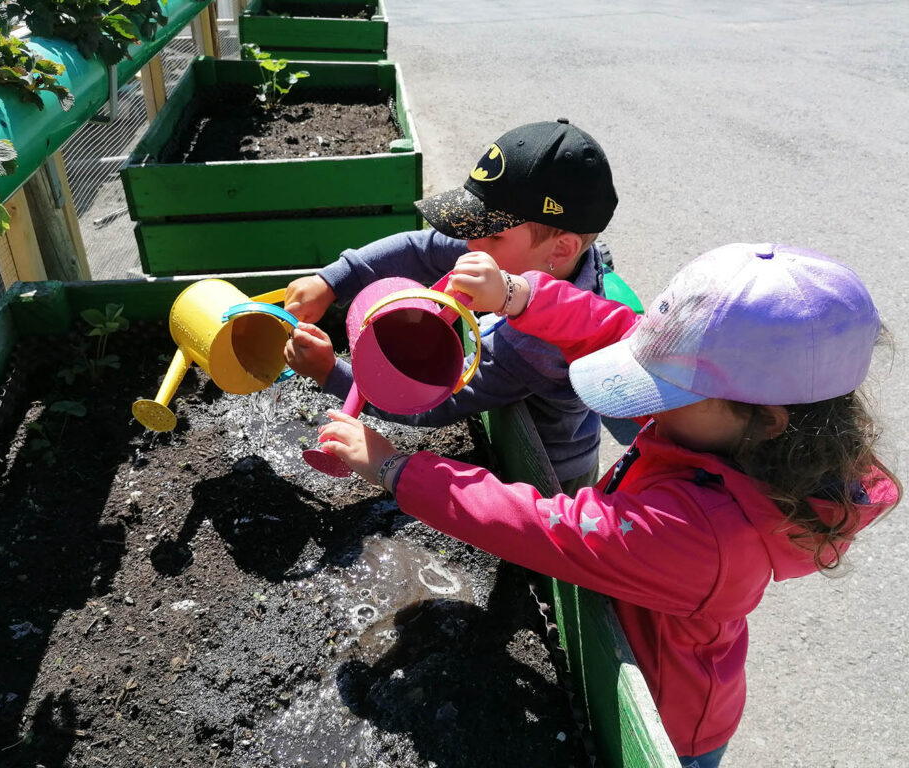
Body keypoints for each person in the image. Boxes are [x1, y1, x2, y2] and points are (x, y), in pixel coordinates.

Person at [314, 243, 902, 767]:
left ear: (769, 422)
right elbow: (616, 328)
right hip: (635, 640)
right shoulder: (733, 427)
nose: (647, 399)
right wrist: (517, 295)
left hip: (667, 725)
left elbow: (544, 527)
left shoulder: (706, 535)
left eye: (666, 389)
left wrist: (397, 468)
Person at [283, 119, 619, 494]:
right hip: (505, 410)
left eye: (490, 233)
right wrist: (332, 281)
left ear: (562, 249)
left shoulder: (540, 346)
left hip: (545, 476)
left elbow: (435, 400)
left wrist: (329, 371)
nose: (471, 244)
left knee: (526, 548)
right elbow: (422, 249)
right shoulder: (511, 252)